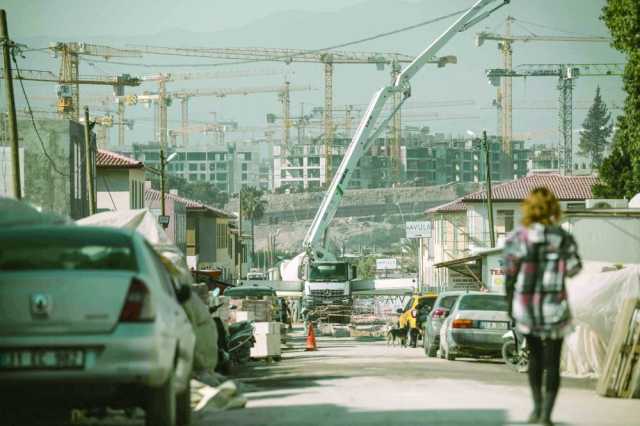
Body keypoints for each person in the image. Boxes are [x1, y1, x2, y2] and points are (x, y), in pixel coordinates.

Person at [503, 187, 582, 426]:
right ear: (553, 209)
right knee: (552, 363)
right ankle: (547, 415)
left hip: (526, 308)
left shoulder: (518, 238)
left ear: (529, 209)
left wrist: (509, 306)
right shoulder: (563, 238)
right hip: (554, 307)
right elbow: (573, 269)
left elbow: (509, 275)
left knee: (535, 359)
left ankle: (536, 408)